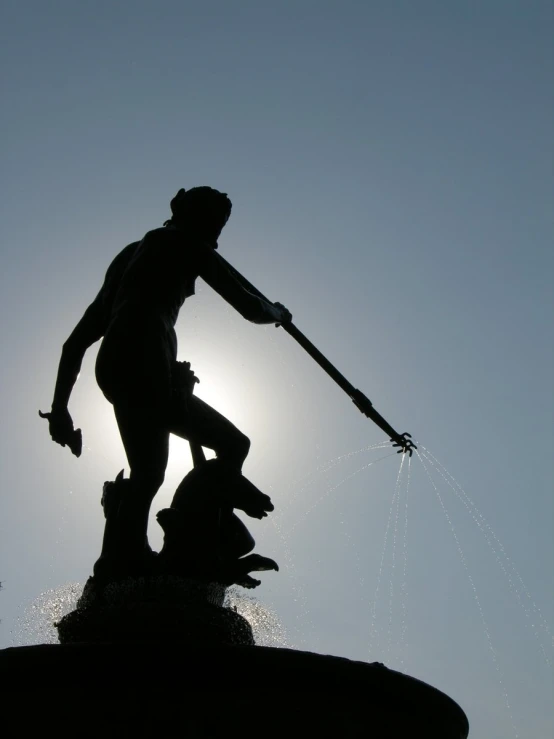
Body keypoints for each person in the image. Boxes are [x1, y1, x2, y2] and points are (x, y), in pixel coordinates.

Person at [42, 186, 292, 578]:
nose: (216, 235)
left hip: (116, 362)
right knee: (233, 444)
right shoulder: (186, 243)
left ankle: (124, 559)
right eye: (214, 223)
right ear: (192, 218)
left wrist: (61, 407)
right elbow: (248, 305)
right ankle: (202, 545)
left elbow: (76, 342)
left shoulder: (132, 254)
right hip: (146, 359)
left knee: (148, 473)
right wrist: (277, 312)